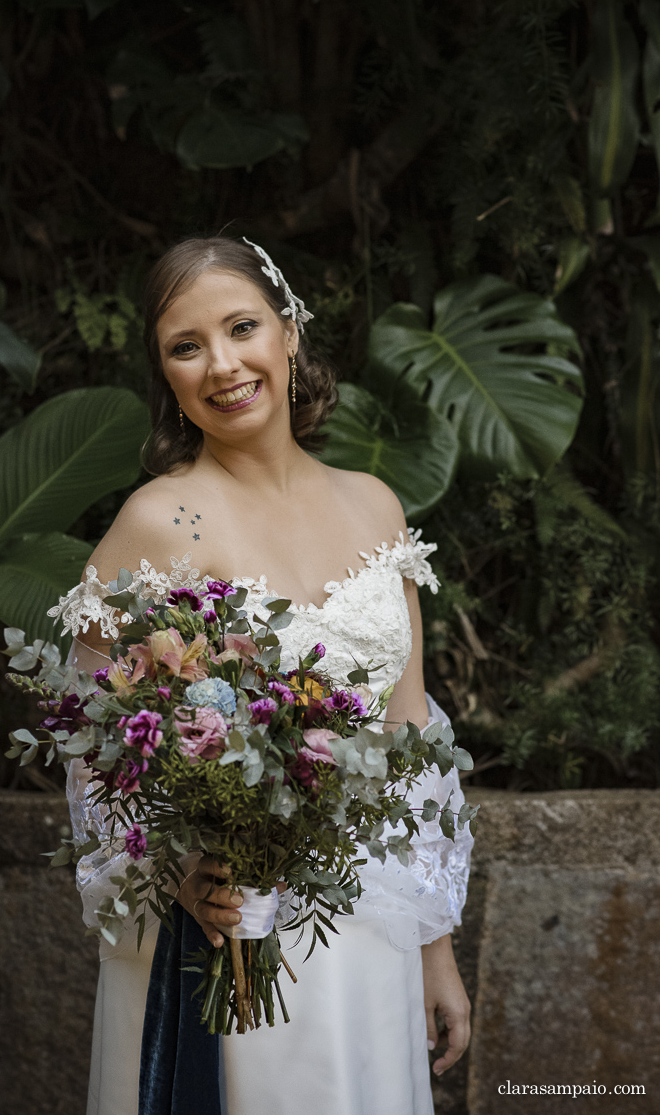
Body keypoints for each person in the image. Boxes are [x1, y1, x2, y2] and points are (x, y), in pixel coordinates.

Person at [54, 236, 473, 1115]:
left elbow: (411, 732)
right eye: (185, 346)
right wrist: (174, 867)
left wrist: (433, 945)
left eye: (241, 327)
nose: (222, 365)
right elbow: (86, 735)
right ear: (165, 374)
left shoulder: (373, 503)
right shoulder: (154, 523)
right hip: (226, 922)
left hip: (366, 925)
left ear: (289, 332)